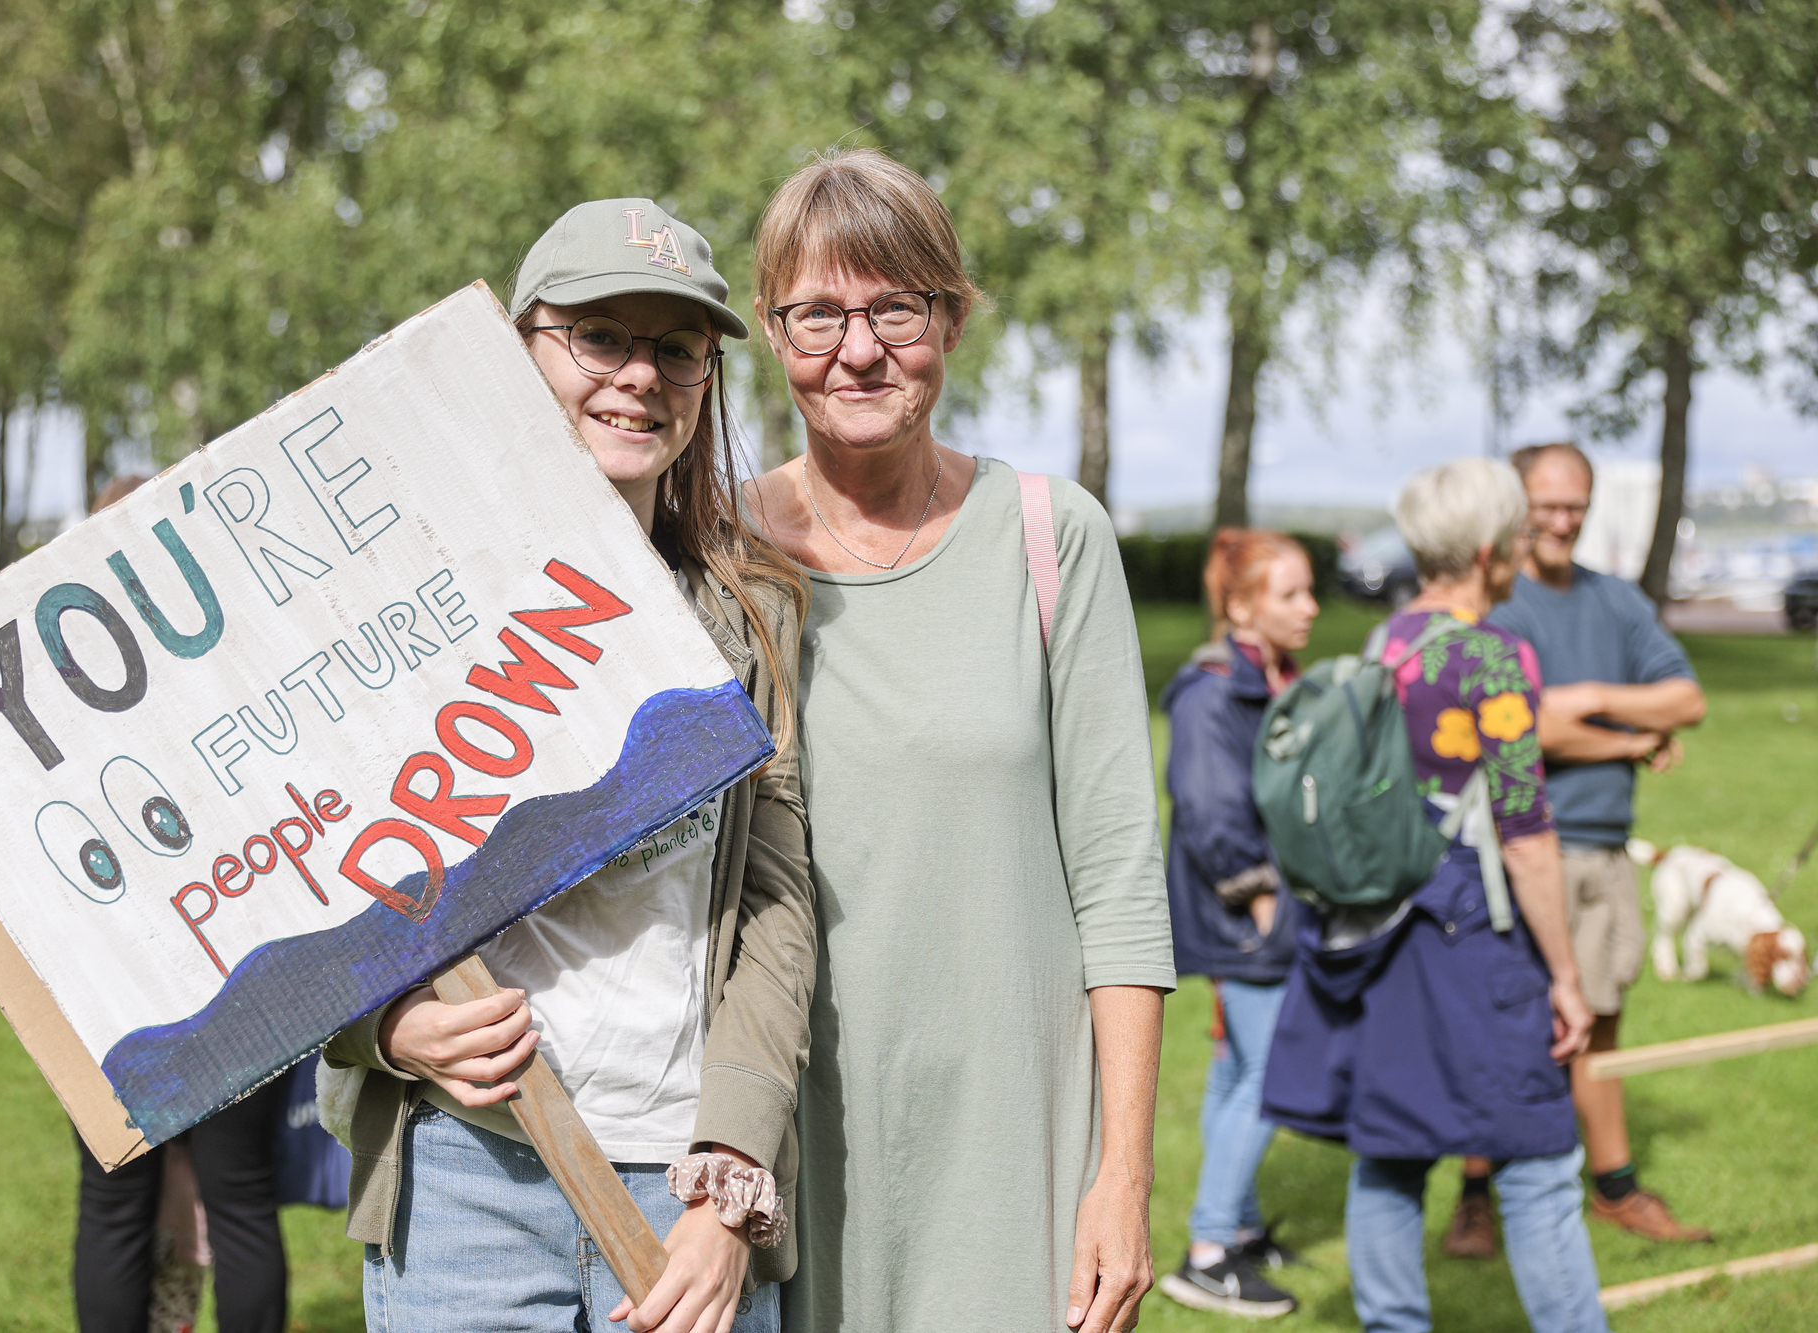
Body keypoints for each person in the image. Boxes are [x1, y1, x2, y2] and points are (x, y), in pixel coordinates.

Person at [322, 199, 816, 1333]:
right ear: (520, 349)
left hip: (684, 1190)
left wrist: (730, 1174)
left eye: (676, 346)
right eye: (598, 337)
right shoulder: (408, 613)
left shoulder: (748, 618)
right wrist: (384, 1025)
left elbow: (776, 904)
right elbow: (308, 873)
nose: (638, 375)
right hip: (464, 1182)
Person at [743, 149, 1176, 1333]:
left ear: (952, 315)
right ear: (770, 330)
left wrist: (1120, 1178)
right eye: (818, 312)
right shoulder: (722, 555)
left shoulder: (1049, 537)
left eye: (895, 305)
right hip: (791, 1137)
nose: (859, 347)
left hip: (1015, 1145)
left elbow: (1119, 879)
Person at [1262, 457, 1608, 1333]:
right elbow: (1525, 831)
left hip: (1387, 922)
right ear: (1492, 549)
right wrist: (1564, 974)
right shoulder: (1496, 654)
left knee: (1392, 1149)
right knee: (1536, 1154)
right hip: (1470, 928)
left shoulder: (1391, 640)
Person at [1442, 442, 1710, 1254]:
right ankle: (1478, 1193)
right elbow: (1526, 725)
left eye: (1575, 505)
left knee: (1600, 1023)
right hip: (1524, 846)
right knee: (1510, 1025)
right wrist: (1632, 736)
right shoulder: (1500, 605)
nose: (1561, 521)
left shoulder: (1615, 600)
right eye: (1546, 504)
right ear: (1516, 504)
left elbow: (1687, 696)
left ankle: (1612, 1188)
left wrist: (1590, 698)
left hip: (1604, 849)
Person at [74, 471, 290, 1333]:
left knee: (111, 1200)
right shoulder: (243, 667)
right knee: (241, 1198)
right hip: (238, 961)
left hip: (104, 972)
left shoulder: (61, 699)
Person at [1156, 531, 1317, 1320]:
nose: (1311, 607)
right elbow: (1209, 804)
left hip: (1259, 907)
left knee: (1236, 1068)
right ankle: (1209, 1251)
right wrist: (1259, 895)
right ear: (1243, 605)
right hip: (1243, 910)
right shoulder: (1215, 688)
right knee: (1271, 1072)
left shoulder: (1271, 678)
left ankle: (1240, 1224)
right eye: (1291, 594)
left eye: (1309, 590)